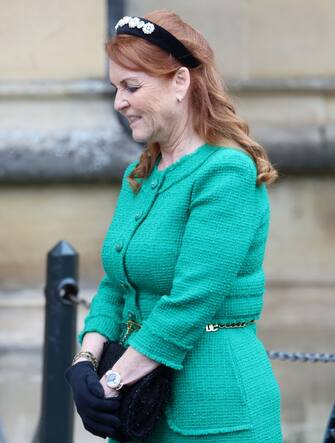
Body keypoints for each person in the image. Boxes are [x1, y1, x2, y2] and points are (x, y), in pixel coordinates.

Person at [66, 9, 283, 443]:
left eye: (132, 86)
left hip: (216, 410)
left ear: (180, 82)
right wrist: (84, 363)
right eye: (115, 88)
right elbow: (116, 285)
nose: (119, 102)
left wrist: (111, 383)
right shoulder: (140, 173)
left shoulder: (226, 173)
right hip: (137, 403)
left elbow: (191, 301)